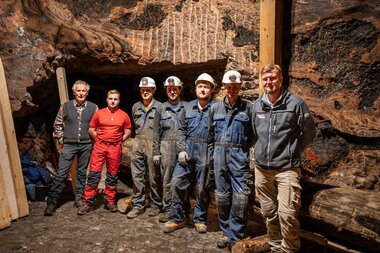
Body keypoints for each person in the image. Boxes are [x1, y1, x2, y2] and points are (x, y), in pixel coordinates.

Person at [252, 64, 316, 253]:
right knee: (269, 212)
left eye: (272, 78)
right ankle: (275, 247)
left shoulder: (295, 104)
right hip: (262, 170)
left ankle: (289, 250)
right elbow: (256, 133)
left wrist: (294, 151)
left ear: (280, 79)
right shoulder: (257, 106)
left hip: (287, 169)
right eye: (265, 79)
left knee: (287, 214)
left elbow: (309, 132)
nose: (269, 82)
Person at [163, 73, 216, 234]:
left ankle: (199, 220)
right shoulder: (187, 107)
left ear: (212, 90)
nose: (202, 89)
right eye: (200, 86)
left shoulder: (216, 108)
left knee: (202, 187)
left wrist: (212, 153)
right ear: (195, 88)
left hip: (206, 149)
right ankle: (178, 218)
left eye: (206, 86)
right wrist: (181, 149)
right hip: (188, 148)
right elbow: (181, 130)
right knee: (177, 182)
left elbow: (219, 132)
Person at [208, 70, 253, 249]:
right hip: (219, 156)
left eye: (235, 87)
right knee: (222, 197)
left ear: (240, 87)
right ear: (224, 88)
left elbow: (253, 135)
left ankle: (236, 233)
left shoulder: (248, 108)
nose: (232, 90)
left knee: (241, 197)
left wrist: (241, 150)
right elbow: (210, 136)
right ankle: (225, 231)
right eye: (229, 87)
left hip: (239, 157)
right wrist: (213, 157)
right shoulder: (215, 108)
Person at [44, 80, 98, 216]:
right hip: (69, 145)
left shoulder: (93, 107)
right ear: (74, 92)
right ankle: (52, 201)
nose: (81, 93)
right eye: (78, 91)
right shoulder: (66, 106)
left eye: (83, 91)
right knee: (61, 172)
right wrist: (61, 140)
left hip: (86, 145)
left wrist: (93, 141)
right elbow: (57, 125)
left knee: (81, 172)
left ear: (87, 92)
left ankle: (79, 198)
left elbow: (97, 126)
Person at [77, 89, 132, 215]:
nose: (113, 101)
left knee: (112, 176)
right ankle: (88, 202)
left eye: (115, 99)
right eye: (110, 99)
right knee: (94, 174)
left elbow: (128, 131)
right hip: (99, 146)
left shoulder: (123, 115)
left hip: (115, 148)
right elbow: (91, 128)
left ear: (119, 100)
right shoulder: (99, 113)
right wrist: (99, 139)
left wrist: (119, 140)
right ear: (107, 99)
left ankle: (110, 202)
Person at [153, 76, 187, 223]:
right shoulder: (161, 108)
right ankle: (168, 209)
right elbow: (155, 132)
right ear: (166, 90)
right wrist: (156, 152)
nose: (172, 92)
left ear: (180, 90)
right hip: (166, 147)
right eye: (169, 89)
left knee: (182, 180)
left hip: (182, 147)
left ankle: (183, 210)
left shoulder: (187, 106)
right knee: (166, 180)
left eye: (175, 89)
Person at [127, 77, 162, 219]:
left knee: (154, 176)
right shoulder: (136, 107)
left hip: (153, 142)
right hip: (138, 141)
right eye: (143, 90)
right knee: (137, 175)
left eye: (148, 90)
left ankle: (156, 204)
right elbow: (135, 126)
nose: (145, 92)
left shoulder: (160, 107)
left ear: (153, 91)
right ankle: (137, 205)